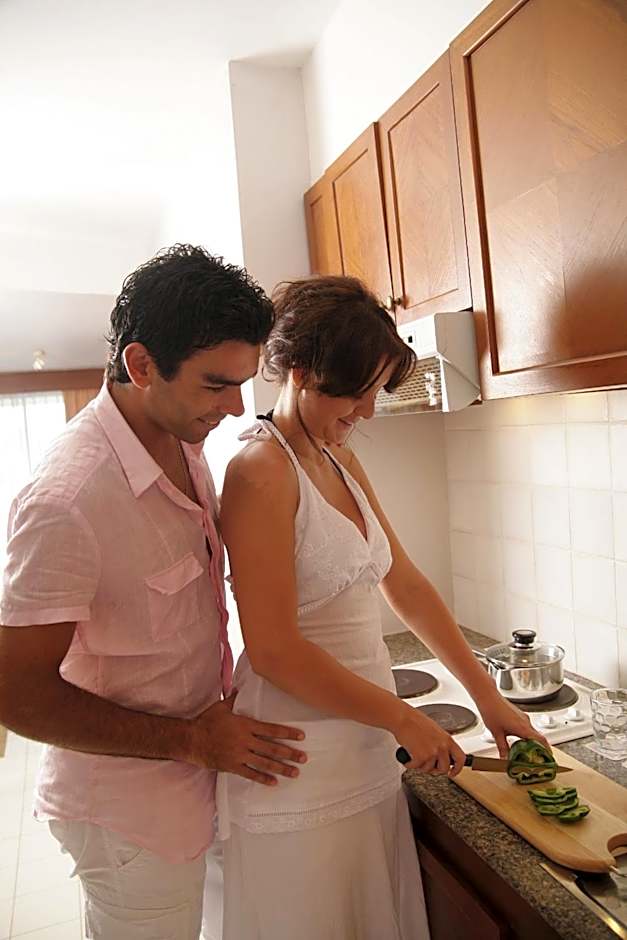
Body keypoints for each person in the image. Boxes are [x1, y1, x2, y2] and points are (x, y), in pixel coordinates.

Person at [217, 275, 548, 939]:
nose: (368, 412)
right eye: (357, 391)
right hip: (297, 760)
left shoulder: (336, 456)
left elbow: (407, 584)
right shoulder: (259, 471)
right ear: (302, 372)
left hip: (362, 748)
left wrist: (486, 697)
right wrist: (401, 716)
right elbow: (274, 649)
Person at [0, 245, 307, 940]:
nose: (235, 407)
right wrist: (192, 741)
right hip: (125, 811)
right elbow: (14, 694)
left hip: (188, 782)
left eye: (242, 383)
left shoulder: (181, 438)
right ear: (141, 366)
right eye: (216, 385)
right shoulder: (68, 499)